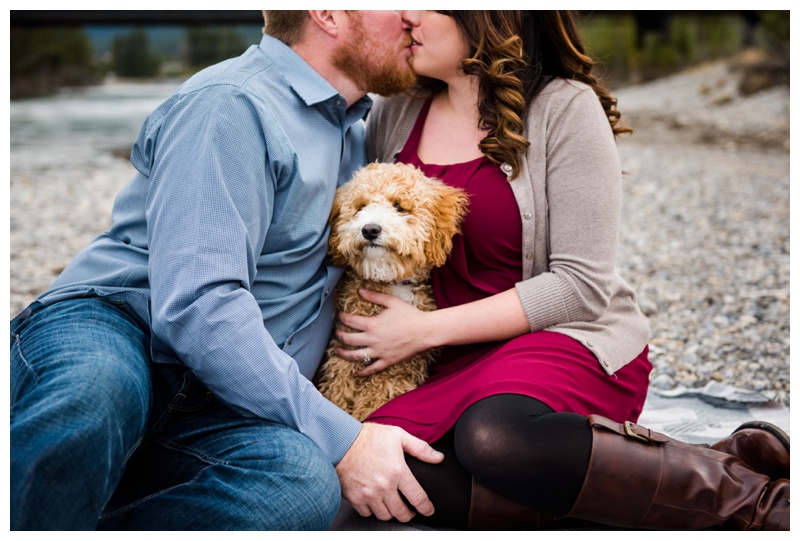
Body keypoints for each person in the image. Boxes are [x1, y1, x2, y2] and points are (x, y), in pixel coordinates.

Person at [334, 10, 790, 530]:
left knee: (494, 437)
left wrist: (421, 330)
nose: (405, 14)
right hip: (443, 363)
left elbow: (581, 285)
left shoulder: (566, 108)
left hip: (565, 339)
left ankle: (757, 507)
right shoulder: (394, 112)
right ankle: (704, 462)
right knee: (391, 473)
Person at [10, 10, 445, 531]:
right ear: (328, 13)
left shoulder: (357, 126)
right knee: (90, 399)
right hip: (125, 326)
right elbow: (199, 305)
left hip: (226, 395)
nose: (413, 16)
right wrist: (346, 439)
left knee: (300, 486)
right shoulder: (233, 105)